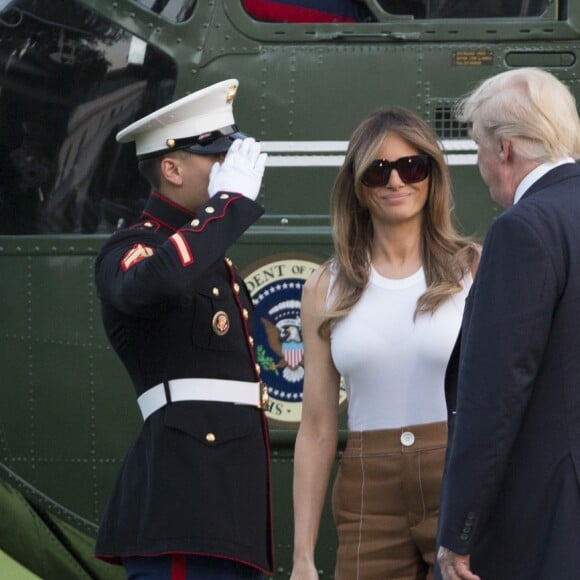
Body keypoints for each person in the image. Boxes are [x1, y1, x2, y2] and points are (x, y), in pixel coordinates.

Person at [93, 79, 274, 579]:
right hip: (183, 510)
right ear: (171, 168)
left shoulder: (211, 261)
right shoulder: (133, 248)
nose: (230, 170)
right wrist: (227, 207)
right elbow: (157, 283)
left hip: (227, 517)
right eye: (217, 158)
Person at [290, 106, 480, 580]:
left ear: (432, 176)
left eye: (411, 167)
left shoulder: (473, 271)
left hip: (456, 479)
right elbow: (315, 428)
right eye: (379, 171)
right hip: (366, 495)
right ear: (358, 186)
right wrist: (302, 557)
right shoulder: (324, 289)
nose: (396, 182)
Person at [436, 68, 580, 580]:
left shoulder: (524, 230)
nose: (479, 166)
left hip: (540, 527)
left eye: (477, 149)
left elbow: (493, 397)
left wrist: (459, 533)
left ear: (505, 150)